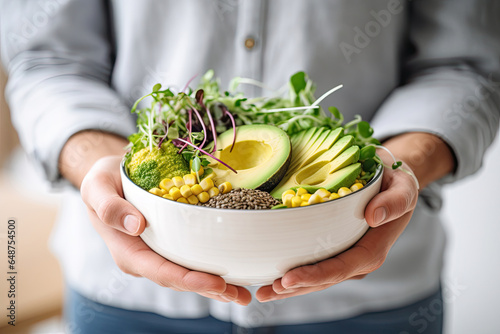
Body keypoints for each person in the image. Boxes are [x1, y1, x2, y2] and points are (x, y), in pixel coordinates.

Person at [1, 0, 499, 333]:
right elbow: (47, 59)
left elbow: (467, 65)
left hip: (374, 299)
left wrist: (403, 165)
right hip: (129, 295)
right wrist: (100, 164)